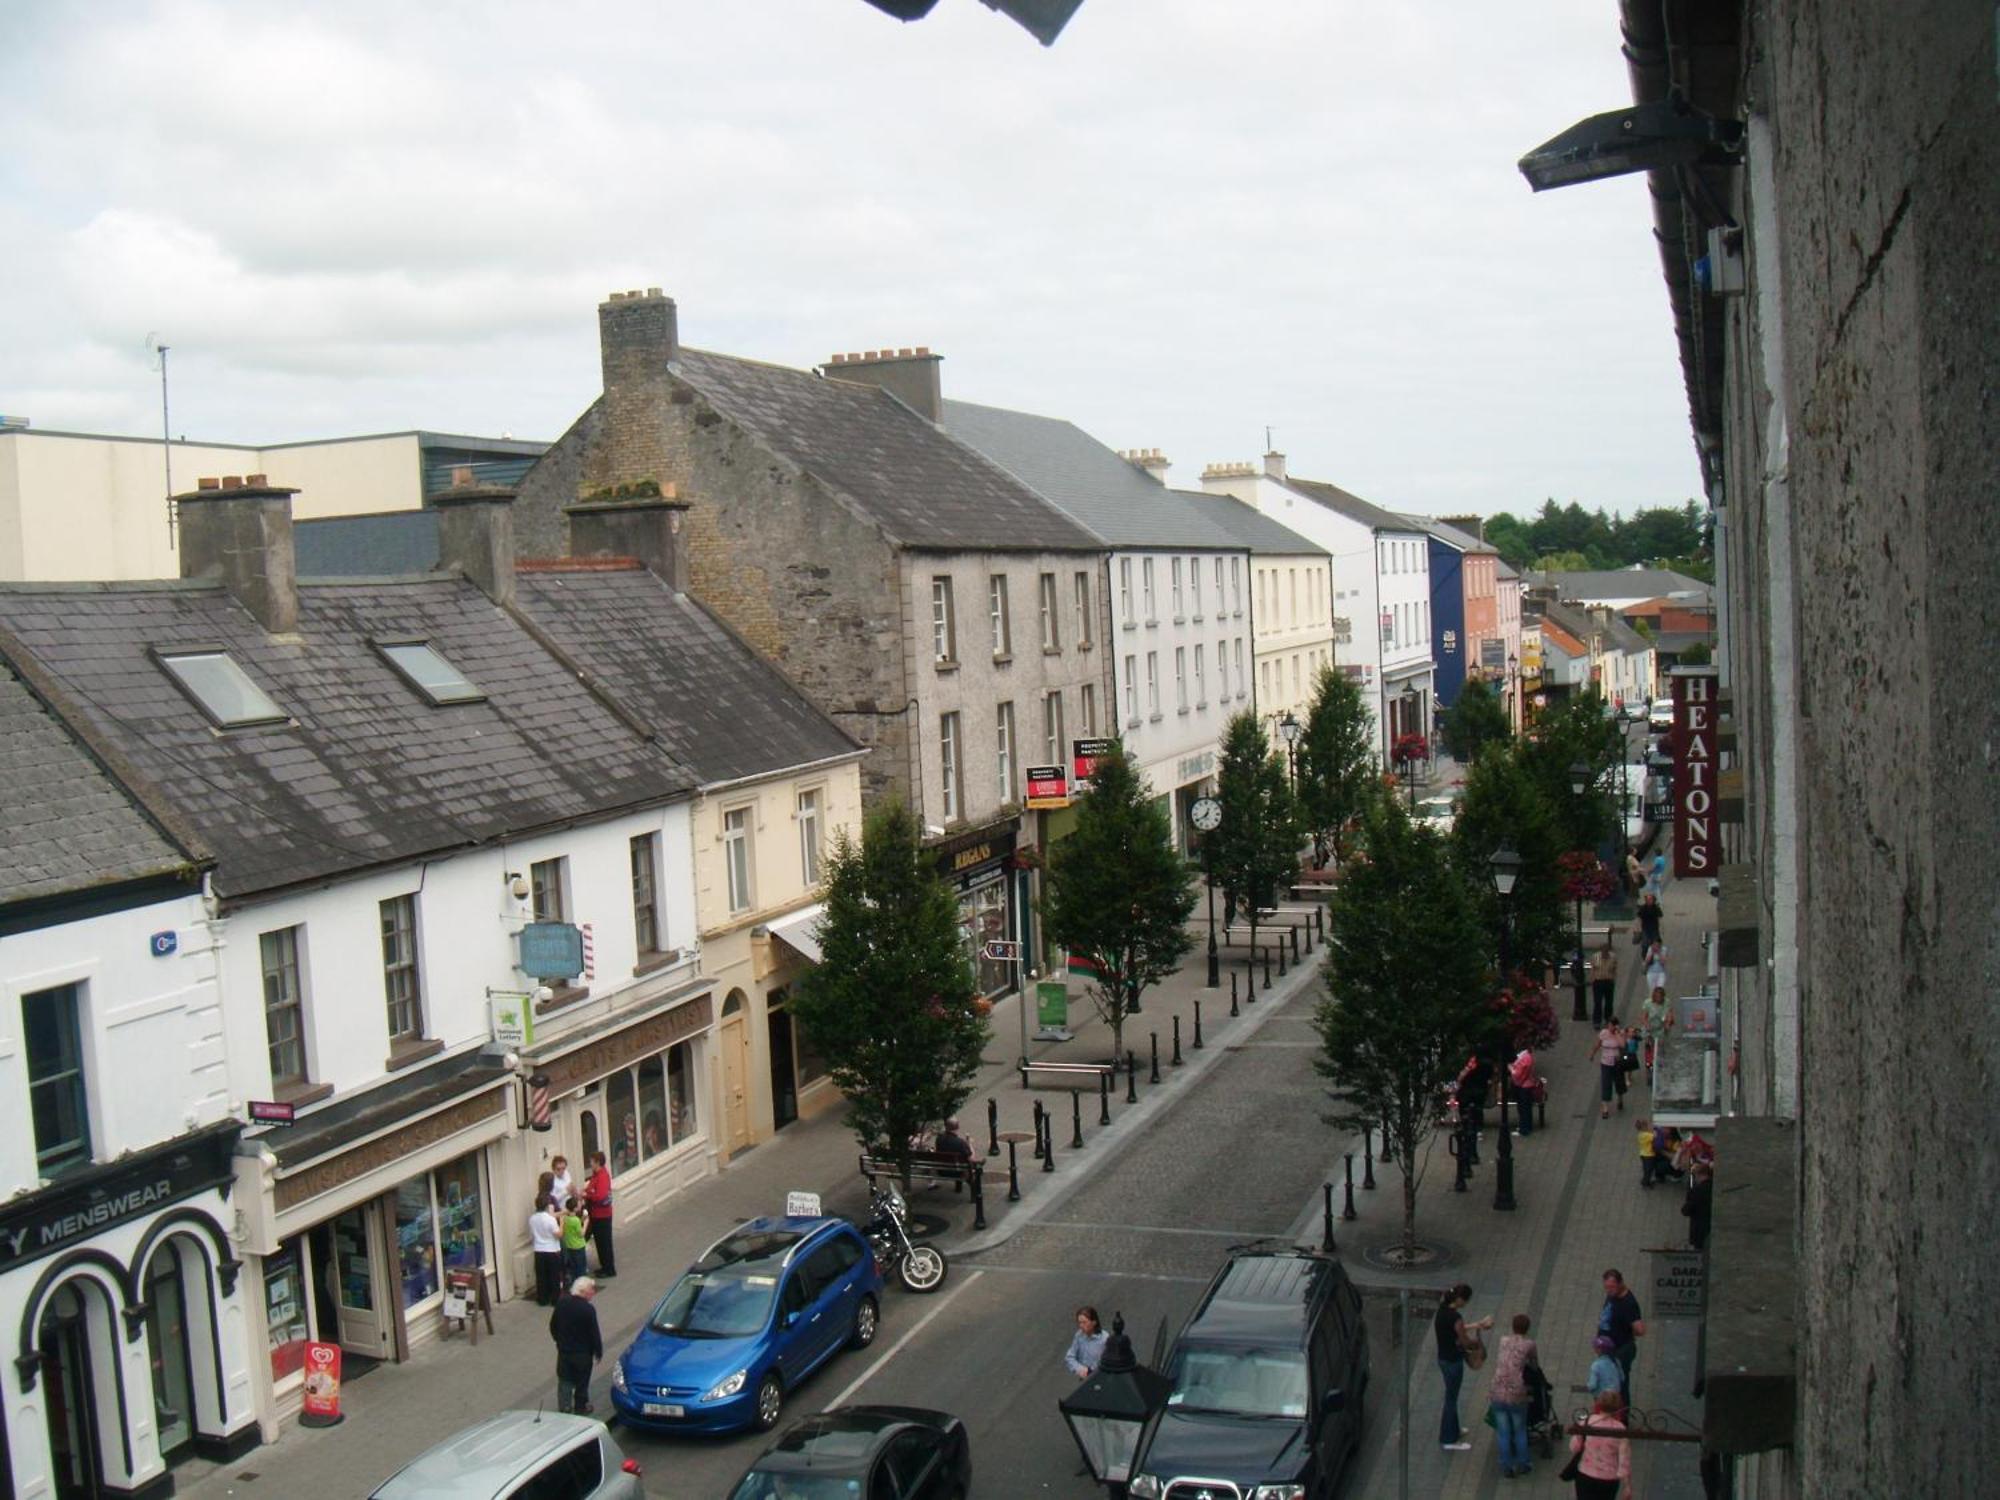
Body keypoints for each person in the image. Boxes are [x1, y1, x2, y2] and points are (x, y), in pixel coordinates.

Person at [1434, 1283, 1492, 1451]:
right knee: (1451, 1399)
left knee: (1451, 1395)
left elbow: (1457, 1330)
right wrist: (1477, 1342)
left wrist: (1476, 1325)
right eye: (1465, 1300)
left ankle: (1455, 1429)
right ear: (1459, 1299)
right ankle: (1448, 1439)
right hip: (1453, 1361)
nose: (1466, 1304)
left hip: (1443, 1358)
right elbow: (1465, 1340)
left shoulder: (1442, 1311)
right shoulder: (1456, 1317)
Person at [1486, 1313, 1539, 1479]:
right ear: (1527, 1328)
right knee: (1519, 1430)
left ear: (1512, 1326)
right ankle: (1524, 1464)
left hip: (1496, 1390)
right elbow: (1535, 1366)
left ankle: (1506, 1466)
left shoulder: (1503, 1341)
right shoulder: (1529, 1344)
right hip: (1516, 1392)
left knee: (1503, 1432)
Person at [549, 1276, 603, 1415]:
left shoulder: (562, 1303)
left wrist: (558, 1340)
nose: (593, 1292)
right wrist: (598, 1352)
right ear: (583, 1291)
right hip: (582, 1354)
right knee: (581, 1382)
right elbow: (594, 1333)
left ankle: (564, 1407)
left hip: (564, 1352)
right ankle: (581, 1407)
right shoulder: (588, 1309)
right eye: (591, 1289)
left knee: (565, 1380)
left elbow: (553, 1325)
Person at [1568, 1387, 1633, 1498]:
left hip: (1585, 1475)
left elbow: (1574, 1447)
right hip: (1608, 1478)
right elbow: (1624, 1460)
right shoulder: (1620, 1429)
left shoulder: (1587, 1422)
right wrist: (1627, 1486)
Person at [1598, 1269, 1646, 1405]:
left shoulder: (1628, 1303)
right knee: (1609, 1381)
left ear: (1621, 1283)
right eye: (1606, 1287)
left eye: (1612, 1287)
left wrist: (1628, 1330)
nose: (1608, 1290)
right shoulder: (1613, 1295)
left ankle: (1622, 1417)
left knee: (1620, 1384)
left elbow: (1640, 1330)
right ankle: (1609, 1410)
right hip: (1608, 1349)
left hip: (1621, 1350)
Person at [582, 1152, 617, 1278]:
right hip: (596, 1214)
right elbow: (593, 1189)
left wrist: (588, 1194)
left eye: (592, 1161)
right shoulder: (596, 1175)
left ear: (597, 1162)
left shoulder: (602, 1176)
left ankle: (609, 1269)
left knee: (604, 1243)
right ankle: (605, 1266)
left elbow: (600, 1196)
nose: (590, 1164)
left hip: (602, 1215)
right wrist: (589, 1190)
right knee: (600, 1242)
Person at [528, 1195, 563, 1307]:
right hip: (551, 1250)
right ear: (547, 1206)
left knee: (541, 1276)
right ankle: (555, 1299)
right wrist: (562, 1224)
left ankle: (543, 1298)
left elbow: (533, 1235)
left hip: (538, 1249)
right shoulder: (550, 1219)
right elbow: (558, 1235)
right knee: (554, 1276)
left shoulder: (532, 1218)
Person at [1591, 1018, 1624, 1120]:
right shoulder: (1604, 1033)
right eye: (1609, 1025)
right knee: (1606, 1083)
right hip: (1605, 1063)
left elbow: (1622, 1045)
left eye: (1612, 1026)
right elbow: (1598, 1044)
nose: (1610, 1028)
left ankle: (1620, 1098)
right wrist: (1592, 1054)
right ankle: (1605, 1108)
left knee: (1618, 1082)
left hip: (1616, 1063)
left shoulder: (1619, 1033)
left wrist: (1617, 1033)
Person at [1064, 1306, 1107, 1379]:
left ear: (1094, 1322)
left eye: (1084, 1322)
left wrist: (1092, 1371)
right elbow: (1069, 1357)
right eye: (1079, 1322)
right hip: (1085, 1379)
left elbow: (1109, 1363)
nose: (1081, 1326)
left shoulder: (1104, 1339)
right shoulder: (1079, 1336)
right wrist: (1080, 1369)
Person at [1585, 1334, 1623, 1409]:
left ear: (1599, 1350)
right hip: (1616, 1398)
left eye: (1595, 1347)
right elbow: (1622, 1378)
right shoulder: (1616, 1361)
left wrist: (1588, 1387)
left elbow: (1592, 1385)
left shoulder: (1596, 1365)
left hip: (1602, 1399)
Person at [1508, 1050, 1540, 1137]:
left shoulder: (1524, 1059)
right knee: (1527, 1108)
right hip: (1528, 1085)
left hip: (1524, 1087)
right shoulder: (1528, 1057)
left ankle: (1524, 1129)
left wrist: (1511, 1068)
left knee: (1523, 1108)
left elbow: (1518, 1075)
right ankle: (1527, 1126)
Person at [559, 1196, 589, 1289]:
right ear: (575, 1208)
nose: (580, 1206)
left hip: (569, 1246)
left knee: (573, 1267)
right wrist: (586, 1223)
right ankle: (581, 1287)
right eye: (579, 1205)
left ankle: (573, 1285)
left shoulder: (565, 1218)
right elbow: (581, 1234)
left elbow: (573, 1228)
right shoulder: (575, 1220)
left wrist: (581, 1221)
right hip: (578, 1246)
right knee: (581, 1268)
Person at [1684, 1163, 1715, 1250]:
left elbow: (1686, 1210)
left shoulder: (1696, 1191)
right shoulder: (1714, 1186)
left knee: (1700, 1252)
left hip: (1699, 1229)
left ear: (1699, 1175)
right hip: (1712, 1224)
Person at [1590, 936, 1618, 1027]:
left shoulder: (1613, 957)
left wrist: (1613, 978)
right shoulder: (1595, 957)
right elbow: (1593, 968)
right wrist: (1593, 979)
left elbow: (1615, 968)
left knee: (1609, 1002)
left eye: (1606, 951)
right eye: (1603, 951)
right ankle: (1597, 1021)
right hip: (1598, 982)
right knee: (1598, 1002)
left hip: (1609, 981)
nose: (1605, 953)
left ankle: (1608, 1019)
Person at [1635, 1118, 1659, 1187]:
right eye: (1647, 1125)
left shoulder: (1640, 1135)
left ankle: (1646, 1181)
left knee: (1646, 1169)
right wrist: (1654, 1130)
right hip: (1649, 1155)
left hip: (1642, 1154)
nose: (1649, 1127)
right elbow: (1655, 1136)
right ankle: (1645, 1182)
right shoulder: (1646, 1135)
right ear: (1644, 1127)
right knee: (1649, 1169)